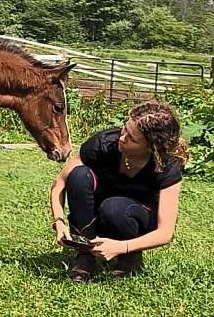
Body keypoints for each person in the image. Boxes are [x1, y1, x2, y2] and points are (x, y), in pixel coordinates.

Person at [49, 101, 189, 281]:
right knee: (78, 175)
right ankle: (85, 254)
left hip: (135, 218)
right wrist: (59, 223)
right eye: (125, 129)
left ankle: (130, 258)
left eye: (132, 138)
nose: (122, 138)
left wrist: (122, 247)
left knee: (114, 207)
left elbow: (165, 233)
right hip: (96, 214)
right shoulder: (104, 142)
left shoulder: (167, 165)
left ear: (151, 147)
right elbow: (59, 183)